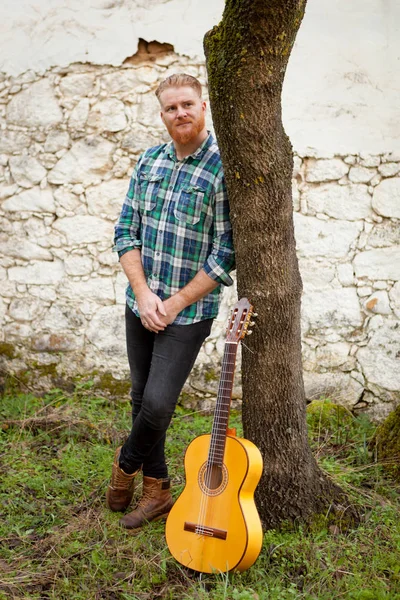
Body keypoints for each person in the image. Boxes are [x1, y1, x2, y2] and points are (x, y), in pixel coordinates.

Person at [107, 73, 235, 531]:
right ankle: (157, 489)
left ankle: (124, 465)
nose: (179, 113)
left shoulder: (223, 167)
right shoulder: (149, 161)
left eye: (187, 104)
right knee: (140, 397)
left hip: (189, 312)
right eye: (170, 108)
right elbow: (126, 231)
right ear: (162, 115)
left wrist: (174, 303)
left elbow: (226, 251)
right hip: (140, 302)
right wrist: (143, 295)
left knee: (158, 403)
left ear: (203, 107)